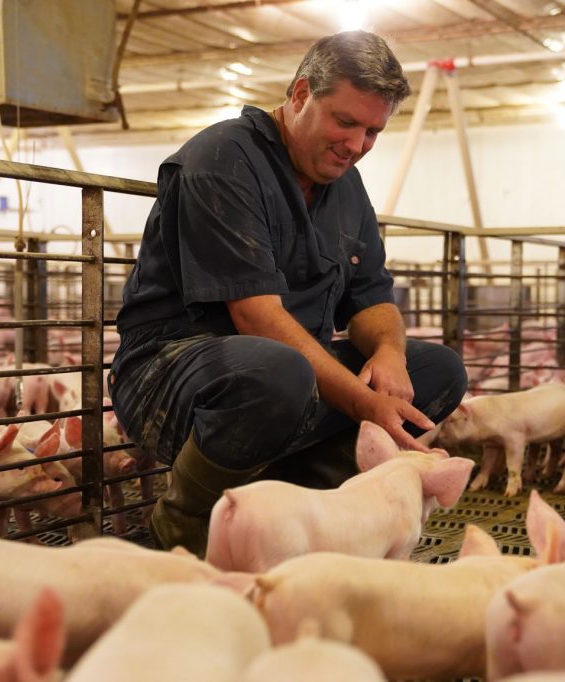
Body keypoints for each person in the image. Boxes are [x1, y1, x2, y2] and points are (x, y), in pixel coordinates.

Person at [109, 30, 468, 555]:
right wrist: (365, 401)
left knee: (438, 371)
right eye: (345, 121)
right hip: (173, 377)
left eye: (372, 131)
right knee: (276, 368)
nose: (356, 145)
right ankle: (182, 533)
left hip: (289, 381)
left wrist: (389, 354)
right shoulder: (223, 159)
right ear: (300, 95)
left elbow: (371, 296)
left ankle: (302, 514)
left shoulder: (346, 187)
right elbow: (256, 318)